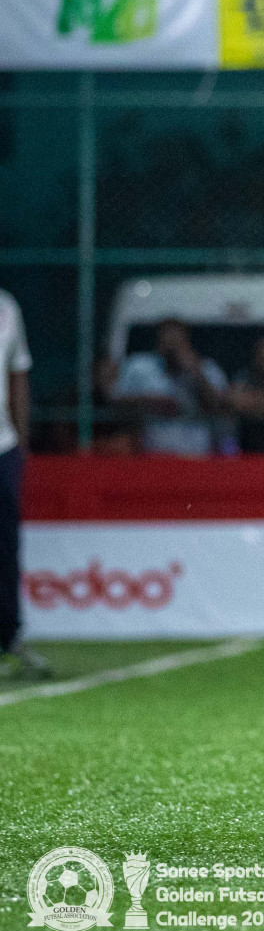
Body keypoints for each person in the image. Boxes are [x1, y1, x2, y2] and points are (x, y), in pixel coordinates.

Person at [0, 288, 47, 680]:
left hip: (2, 447)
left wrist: (21, 444)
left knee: (5, 547)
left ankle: (8, 638)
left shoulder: (7, 307)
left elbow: (18, 376)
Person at [111, 319, 229, 457]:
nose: (171, 347)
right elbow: (115, 400)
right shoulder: (139, 366)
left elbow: (219, 406)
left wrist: (197, 373)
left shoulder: (208, 369)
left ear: (186, 341)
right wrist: (150, 401)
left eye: (176, 341)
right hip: (152, 454)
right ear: (158, 341)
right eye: (167, 340)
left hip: (197, 455)